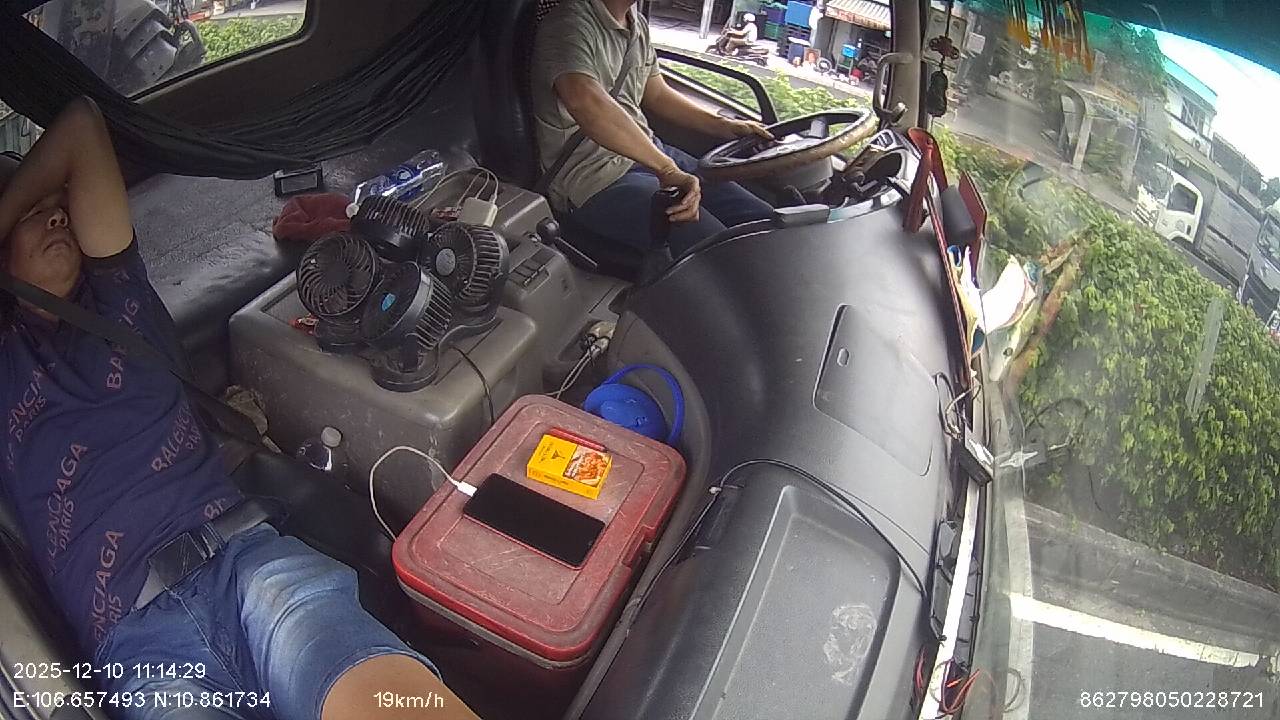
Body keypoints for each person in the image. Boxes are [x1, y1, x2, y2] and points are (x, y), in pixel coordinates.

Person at [0, 97, 480, 720]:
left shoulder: (118, 298)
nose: (59, 217)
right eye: (34, 216)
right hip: (139, 646)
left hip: (250, 568)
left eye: (60, 207)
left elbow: (82, 125)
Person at [531, 0, 776, 258]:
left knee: (762, 222)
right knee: (718, 250)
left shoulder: (636, 23)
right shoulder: (568, 25)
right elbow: (584, 100)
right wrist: (666, 169)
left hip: (649, 153)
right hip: (594, 176)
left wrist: (723, 125)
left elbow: (656, 94)